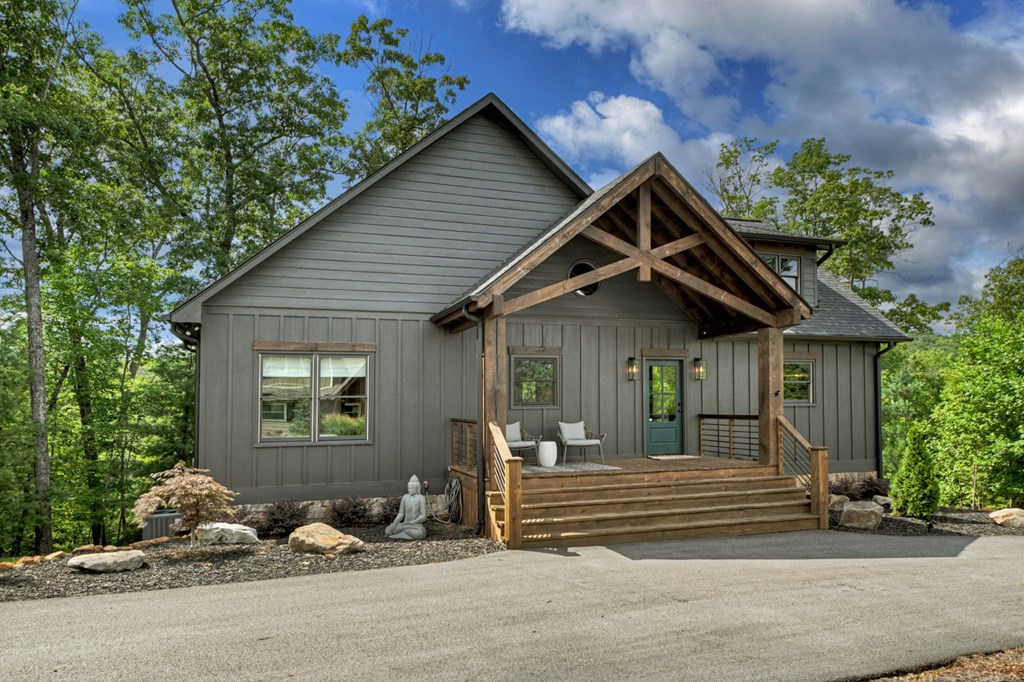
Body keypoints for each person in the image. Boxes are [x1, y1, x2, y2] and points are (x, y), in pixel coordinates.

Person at [385, 475, 428, 540]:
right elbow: (401, 514)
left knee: (420, 533)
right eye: (409, 487)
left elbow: (423, 516)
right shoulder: (405, 497)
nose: (410, 489)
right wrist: (395, 523)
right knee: (388, 530)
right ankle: (406, 534)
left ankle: (402, 534)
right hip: (405, 524)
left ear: (418, 488)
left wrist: (413, 522)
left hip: (416, 525)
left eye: (412, 487)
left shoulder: (421, 498)